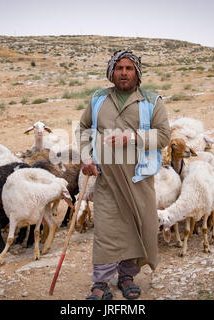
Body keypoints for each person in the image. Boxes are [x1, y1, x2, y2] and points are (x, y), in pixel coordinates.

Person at [77, 50, 171, 300]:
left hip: (138, 179)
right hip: (106, 179)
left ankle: (127, 276)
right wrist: (86, 157)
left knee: (138, 228)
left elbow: (163, 136)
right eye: (119, 68)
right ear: (111, 71)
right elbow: (84, 128)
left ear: (137, 72)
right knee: (106, 230)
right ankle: (100, 282)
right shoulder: (98, 99)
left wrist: (131, 137)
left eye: (129, 68)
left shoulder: (151, 102)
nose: (123, 73)